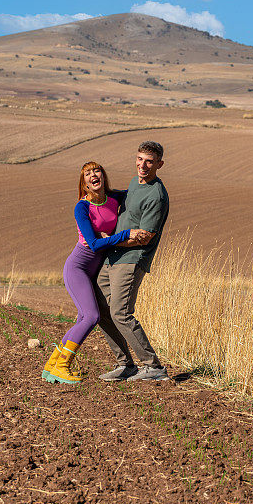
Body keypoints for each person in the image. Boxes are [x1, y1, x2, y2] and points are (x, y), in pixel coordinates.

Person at [43, 161, 149, 384]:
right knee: (91, 316)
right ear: (84, 184)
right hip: (78, 267)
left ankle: (53, 365)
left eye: (96, 171)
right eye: (88, 174)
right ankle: (62, 366)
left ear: (103, 176)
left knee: (84, 317)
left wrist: (154, 186)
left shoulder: (114, 198)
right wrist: (125, 234)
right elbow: (93, 244)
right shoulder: (81, 207)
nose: (93, 175)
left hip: (95, 270)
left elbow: (137, 193)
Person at [96, 141, 170, 382]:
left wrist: (113, 241)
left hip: (131, 260)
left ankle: (153, 367)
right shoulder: (134, 182)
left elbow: (144, 237)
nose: (143, 165)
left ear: (159, 164)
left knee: (121, 312)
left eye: (149, 161)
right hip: (112, 258)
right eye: (140, 159)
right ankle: (125, 364)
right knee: (102, 310)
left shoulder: (156, 195)